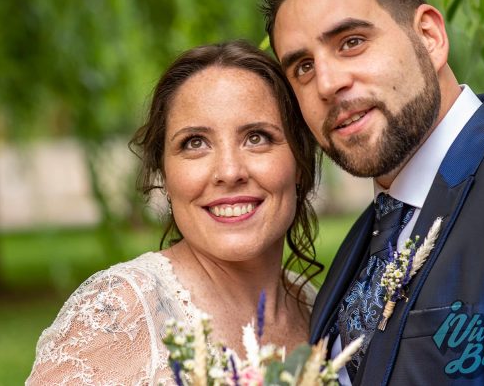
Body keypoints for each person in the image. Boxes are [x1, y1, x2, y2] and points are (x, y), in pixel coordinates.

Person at [262, 0, 484, 385]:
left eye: (351, 41)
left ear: (430, 37)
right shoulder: (368, 234)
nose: (326, 83)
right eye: (302, 67)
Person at [26, 40, 322, 385]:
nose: (229, 170)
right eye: (195, 143)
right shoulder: (123, 314)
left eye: (257, 137)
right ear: (165, 175)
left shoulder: (316, 307)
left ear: (299, 162)